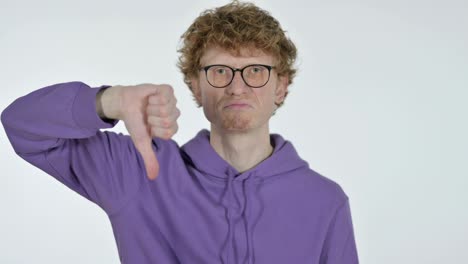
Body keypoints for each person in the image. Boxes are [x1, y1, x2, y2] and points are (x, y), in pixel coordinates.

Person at [1, 1, 359, 263]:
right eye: (220, 71)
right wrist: (112, 101)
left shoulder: (325, 202)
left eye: (255, 71)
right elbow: (23, 126)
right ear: (195, 87)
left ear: (280, 87)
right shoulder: (138, 171)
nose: (237, 87)